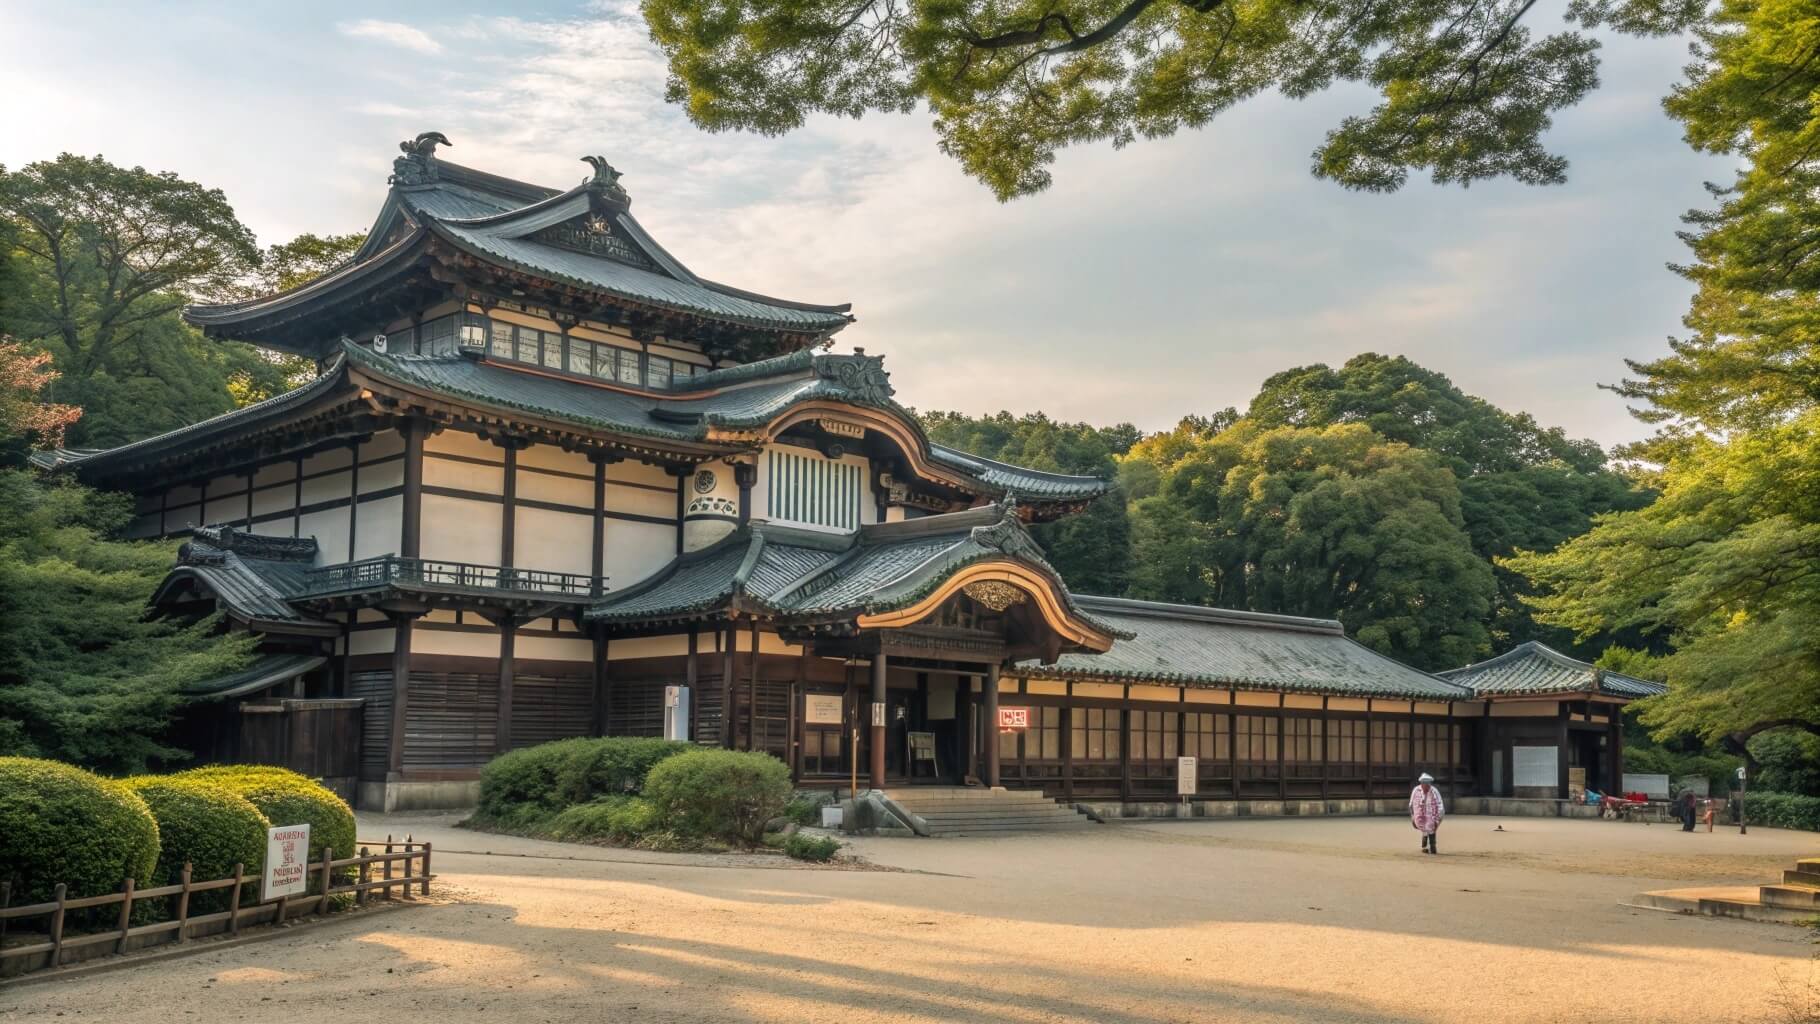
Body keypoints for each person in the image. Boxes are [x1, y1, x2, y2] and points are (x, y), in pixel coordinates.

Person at [1410, 772, 1445, 854]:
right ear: (1421, 783)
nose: (1426, 786)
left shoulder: (1434, 791)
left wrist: (1437, 820)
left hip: (1433, 815)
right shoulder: (1416, 790)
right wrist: (1412, 816)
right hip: (1420, 815)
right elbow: (1411, 804)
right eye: (1424, 783)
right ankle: (1424, 847)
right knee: (1424, 829)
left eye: (1428, 784)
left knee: (1431, 829)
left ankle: (1433, 846)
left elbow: (1440, 806)